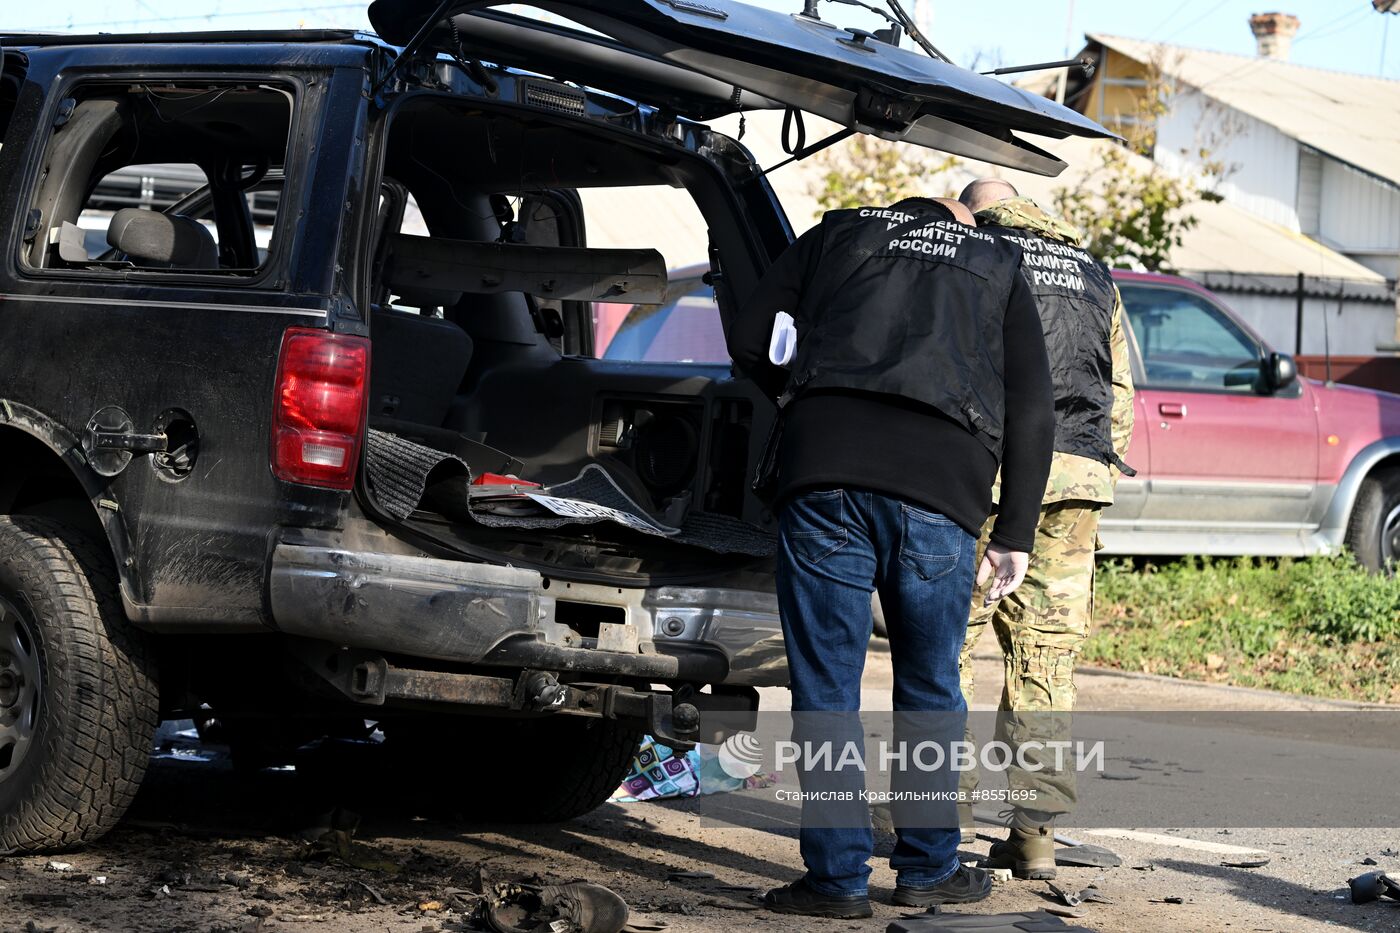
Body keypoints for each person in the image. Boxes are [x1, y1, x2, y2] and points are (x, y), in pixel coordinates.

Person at [728, 194, 1055, 919]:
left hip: (823, 469)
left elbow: (751, 334)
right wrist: (1015, 535)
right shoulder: (997, 261)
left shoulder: (841, 232)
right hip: (940, 488)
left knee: (826, 687)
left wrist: (802, 397)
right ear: (957, 226)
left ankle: (838, 880)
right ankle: (927, 869)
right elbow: (1034, 404)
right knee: (931, 685)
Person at [955, 178, 1136, 880]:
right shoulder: (1094, 272)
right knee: (1045, 659)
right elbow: (1119, 389)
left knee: (951, 640)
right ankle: (1034, 833)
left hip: (992, 473)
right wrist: (1096, 475)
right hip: (1079, 482)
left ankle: (940, 810)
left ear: (976, 209)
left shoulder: (978, 250)